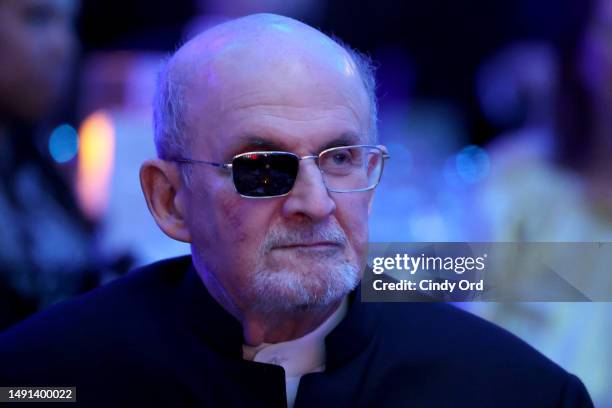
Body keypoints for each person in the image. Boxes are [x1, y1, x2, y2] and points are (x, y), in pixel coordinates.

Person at [0, 13, 593, 407]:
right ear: (170, 200)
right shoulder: (41, 377)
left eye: (341, 159)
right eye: (262, 166)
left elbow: (559, 274)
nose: (315, 203)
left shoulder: (518, 392)